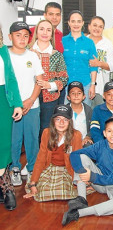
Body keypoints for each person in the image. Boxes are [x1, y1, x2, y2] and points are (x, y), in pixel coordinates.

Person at [62, 116, 113, 226]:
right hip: (98, 181)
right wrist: (84, 173)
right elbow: (75, 154)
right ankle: (81, 199)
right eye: (109, 131)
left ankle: (79, 213)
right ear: (104, 133)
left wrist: (92, 177)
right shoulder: (101, 145)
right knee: (82, 157)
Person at [8, 22, 44, 187]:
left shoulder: (32, 56)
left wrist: (30, 100)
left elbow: (39, 80)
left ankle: (32, 170)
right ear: (10, 37)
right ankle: (14, 168)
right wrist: (17, 103)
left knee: (31, 139)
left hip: (32, 105)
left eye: (25, 35)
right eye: (18, 35)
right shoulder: (5, 57)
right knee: (14, 139)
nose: (22, 39)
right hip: (11, 107)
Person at [23, 105, 82, 202]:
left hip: (67, 170)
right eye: (58, 119)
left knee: (63, 191)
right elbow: (41, 158)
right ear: (53, 121)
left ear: (70, 122)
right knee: (41, 192)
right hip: (50, 167)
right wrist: (33, 183)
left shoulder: (76, 135)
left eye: (65, 120)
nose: (61, 123)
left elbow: (78, 161)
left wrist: (78, 182)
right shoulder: (47, 133)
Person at [28, 20, 68, 140]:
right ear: (36, 32)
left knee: (46, 128)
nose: (45, 32)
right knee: (30, 128)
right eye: (41, 29)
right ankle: (32, 157)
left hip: (50, 98)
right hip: (28, 96)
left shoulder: (57, 55)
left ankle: (45, 156)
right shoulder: (26, 52)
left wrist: (49, 85)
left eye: (48, 30)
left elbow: (64, 77)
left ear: (52, 34)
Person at [0, 25, 23, 211]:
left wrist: (17, 103)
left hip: (3, 100)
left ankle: (6, 187)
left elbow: (11, 78)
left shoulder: (3, 51)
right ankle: (5, 188)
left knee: (4, 143)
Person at [62, 10, 98, 107]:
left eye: (79, 21)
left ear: (82, 23)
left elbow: (93, 66)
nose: (76, 24)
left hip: (85, 84)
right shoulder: (62, 41)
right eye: (73, 21)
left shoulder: (89, 42)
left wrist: (92, 85)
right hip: (66, 85)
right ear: (69, 23)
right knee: (67, 115)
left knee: (85, 114)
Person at [87, 16, 113, 107]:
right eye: (95, 25)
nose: (97, 28)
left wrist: (99, 63)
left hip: (101, 86)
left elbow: (112, 66)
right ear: (89, 26)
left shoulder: (107, 44)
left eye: (100, 26)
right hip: (84, 84)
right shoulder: (83, 42)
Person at [66, 81, 93, 147]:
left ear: (84, 96)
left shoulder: (89, 110)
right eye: (73, 93)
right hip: (68, 141)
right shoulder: (64, 111)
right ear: (68, 97)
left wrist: (88, 137)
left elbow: (93, 127)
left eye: (79, 93)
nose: (76, 95)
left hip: (84, 141)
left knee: (88, 145)